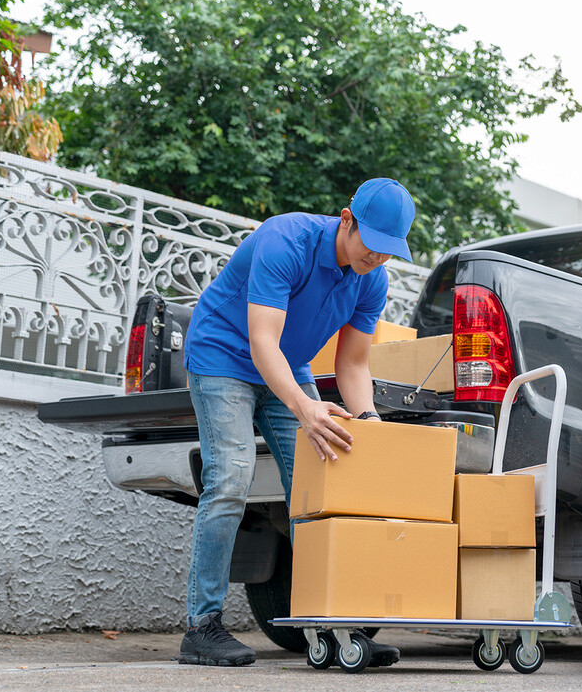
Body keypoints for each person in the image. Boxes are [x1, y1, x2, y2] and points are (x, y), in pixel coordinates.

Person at [177, 177, 416, 667]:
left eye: (388, 253)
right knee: (231, 478)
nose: (376, 259)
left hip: (290, 366)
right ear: (346, 220)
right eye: (371, 247)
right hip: (224, 356)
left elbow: (352, 365)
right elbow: (262, 340)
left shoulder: (373, 279)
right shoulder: (284, 240)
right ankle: (201, 627)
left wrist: (367, 419)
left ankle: (337, 625)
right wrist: (305, 408)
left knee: (325, 486)